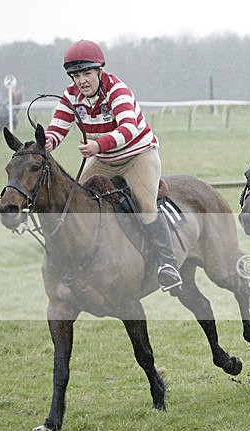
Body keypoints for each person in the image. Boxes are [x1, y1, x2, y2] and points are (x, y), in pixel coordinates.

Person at [44, 39, 182, 295]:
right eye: (76, 75)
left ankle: (169, 265)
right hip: (106, 159)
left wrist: (97, 147)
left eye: (87, 73)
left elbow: (128, 129)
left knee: (145, 203)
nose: (82, 80)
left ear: (99, 71)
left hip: (138, 154)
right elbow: (59, 125)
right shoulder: (71, 96)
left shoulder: (117, 90)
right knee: (77, 199)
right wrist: (50, 141)